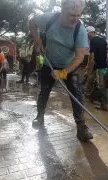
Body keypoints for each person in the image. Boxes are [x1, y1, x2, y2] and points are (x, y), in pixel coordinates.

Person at [29, 0, 93, 141]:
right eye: (71, 15)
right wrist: (37, 40)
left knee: (76, 95)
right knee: (44, 91)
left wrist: (63, 72)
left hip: (69, 66)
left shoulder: (80, 29)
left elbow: (80, 57)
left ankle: (81, 127)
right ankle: (39, 117)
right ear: (62, 11)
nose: (75, 19)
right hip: (49, 63)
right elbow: (32, 22)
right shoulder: (49, 18)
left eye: (78, 15)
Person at [85, 26, 108, 111]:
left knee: (100, 85)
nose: (87, 35)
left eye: (88, 34)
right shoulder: (102, 40)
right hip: (103, 65)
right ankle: (91, 97)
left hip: (99, 66)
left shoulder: (93, 41)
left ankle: (104, 105)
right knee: (92, 80)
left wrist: (88, 68)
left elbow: (91, 56)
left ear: (92, 32)